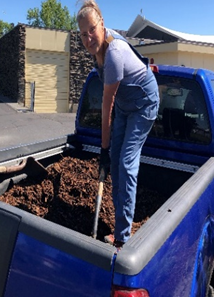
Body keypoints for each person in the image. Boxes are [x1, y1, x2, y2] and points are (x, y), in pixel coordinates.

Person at [77, 0, 159, 248]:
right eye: (83, 34)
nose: (88, 38)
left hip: (144, 104)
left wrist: (102, 149)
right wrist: (107, 153)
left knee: (125, 161)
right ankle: (118, 226)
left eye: (92, 29)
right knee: (115, 159)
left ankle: (123, 237)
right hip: (126, 106)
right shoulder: (97, 52)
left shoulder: (112, 54)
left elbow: (106, 108)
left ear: (101, 23)